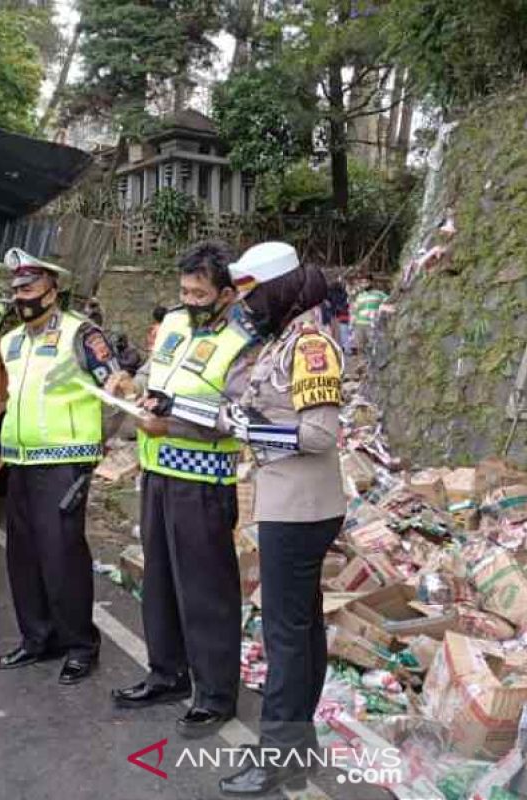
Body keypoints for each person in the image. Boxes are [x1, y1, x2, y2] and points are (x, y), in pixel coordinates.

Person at [216, 242, 345, 796]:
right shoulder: (281, 341)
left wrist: (248, 430)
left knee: (286, 636)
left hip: (300, 509)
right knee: (302, 630)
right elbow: (268, 405)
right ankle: (299, 746)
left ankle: (277, 758)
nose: (245, 305)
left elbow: (320, 435)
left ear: (277, 288)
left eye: (250, 293)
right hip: (291, 502)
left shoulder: (311, 345)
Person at [111, 241, 253, 738]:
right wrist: (130, 384)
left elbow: (237, 421)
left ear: (227, 294)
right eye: (184, 291)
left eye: (199, 293)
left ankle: (215, 694)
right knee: (161, 585)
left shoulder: (244, 342)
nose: (190, 300)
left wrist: (170, 427)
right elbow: (156, 374)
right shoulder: (172, 323)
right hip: (157, 475)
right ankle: (167, 674)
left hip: (203, 482)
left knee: (206, 593)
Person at [0, 248, 128, 685]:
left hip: (65, 462)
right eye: (16, 289)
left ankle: (79, 646)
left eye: (29, 287)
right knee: (24, 557)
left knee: (62, 556)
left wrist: (96, 446)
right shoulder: (10, 341)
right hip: (18, 461)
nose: (21, 295)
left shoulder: (82, 335)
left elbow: (116, 390)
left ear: (53, 290)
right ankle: (37, 638)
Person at [350, 276, 387, 357]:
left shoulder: (379, 294)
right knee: (360, 346)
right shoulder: (359, 296)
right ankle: (363, 364)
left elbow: (388, 302)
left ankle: (374, 363)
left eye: (366, 282)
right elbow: (355, 310)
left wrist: (379, 312)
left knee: (374, 345)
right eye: (362, 283)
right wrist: (352, 323)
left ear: (371, 282)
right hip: (359, 325)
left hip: (372, 324)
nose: (364, 284)